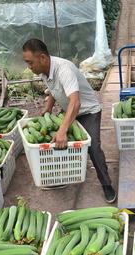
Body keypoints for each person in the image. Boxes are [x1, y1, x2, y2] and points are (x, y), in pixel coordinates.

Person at [22, 38, 116, 203]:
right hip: (70, 111)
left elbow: (75, 102)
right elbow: (53, 89)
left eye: (30, 63)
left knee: (92, 147)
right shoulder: (44, 71)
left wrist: (63, 130)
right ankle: (60, 178)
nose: (29, 67)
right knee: (54, 143)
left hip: (88, 111)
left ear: (42, 58)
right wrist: (48, 108)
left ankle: (107, 185)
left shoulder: (64, 69)